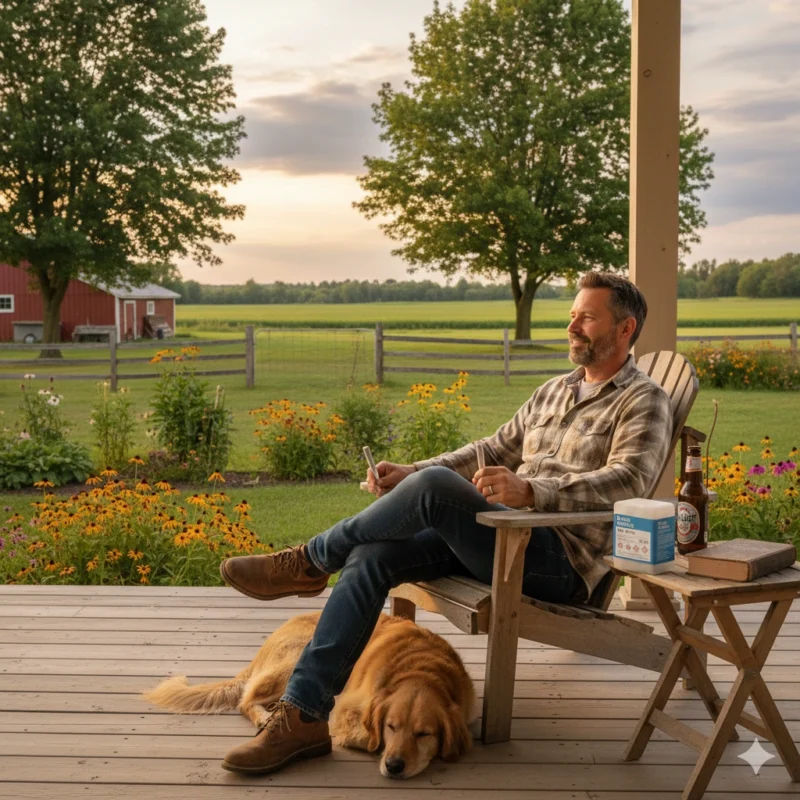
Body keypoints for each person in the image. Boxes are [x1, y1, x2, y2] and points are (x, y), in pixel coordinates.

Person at [218, 271, 673, 774]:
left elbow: (631, 480)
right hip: (499, 540)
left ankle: (310, 559)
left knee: (434, 490)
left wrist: (531, 490)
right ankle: (303, 717)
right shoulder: (554, 391)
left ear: (625, 329)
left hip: (556, 560)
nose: (573, 326)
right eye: (572, 316)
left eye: (587, 317)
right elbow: (491, 449)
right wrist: (412, 472)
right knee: (372, 555)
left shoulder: (643, 399)